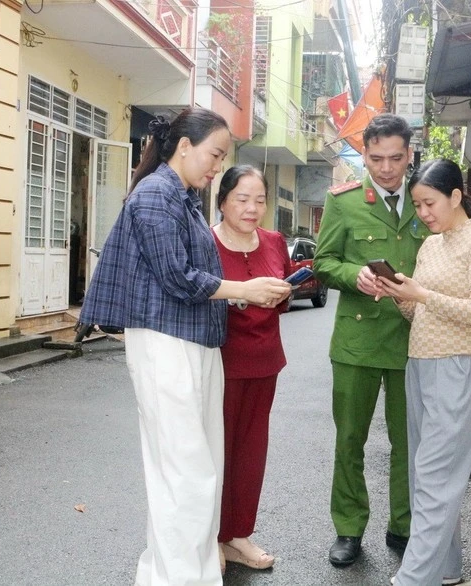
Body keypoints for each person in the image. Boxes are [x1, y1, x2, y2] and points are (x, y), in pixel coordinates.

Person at [79, 108, 291, 586]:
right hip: (166, 344)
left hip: (192, 342)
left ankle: (178, 576)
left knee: (195, 471)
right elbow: (176, 276)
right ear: (184, 147)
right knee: (185, 475)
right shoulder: (157, 195)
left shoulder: (182, 196)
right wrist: (244, 290)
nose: (217, 166)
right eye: (215, 155)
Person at [369, 159, 471, 585]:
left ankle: (412, 579)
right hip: (421, 366)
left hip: (457, 368)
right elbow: (418, 313)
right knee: (425, 474)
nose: (423, 213)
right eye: (417, 205)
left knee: (434, 475)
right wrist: (396, 292)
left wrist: (423, 293)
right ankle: (446, 570)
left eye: (429, 203)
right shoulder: (431, 246)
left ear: (456, 197)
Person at [312, 113, 432, 567]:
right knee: (350, 440)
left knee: (409, 443)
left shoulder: (423, 201)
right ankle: (348, 528)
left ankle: (403, 526)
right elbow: (323, 263)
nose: (385, 169)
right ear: (364, 155)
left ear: (409, 155)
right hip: (357, 341)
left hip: (412, 340)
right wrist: (354, 275)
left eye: (395, 158)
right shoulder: (344, 201)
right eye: (376, 158)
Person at [210, 165, 292, 571]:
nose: (251, 208)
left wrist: (284, 292)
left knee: (250, 451)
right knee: (213, 451)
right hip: (218, 362)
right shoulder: (205, 242)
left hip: (265, 361)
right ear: (222, 200)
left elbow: (286, 290)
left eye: (259, 200)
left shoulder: (276, 241)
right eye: (242, 199)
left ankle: (238, 533)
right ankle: (210, 536)